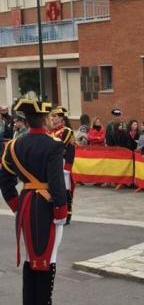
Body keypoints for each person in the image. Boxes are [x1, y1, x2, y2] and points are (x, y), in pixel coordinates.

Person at [0, 99, 68, 305]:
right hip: (46, 205)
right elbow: (56, 183)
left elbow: (5, 181)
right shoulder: (54, 145)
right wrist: (61, 212)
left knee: (31, 257)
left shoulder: (14, 145)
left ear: (27, 120)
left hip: (26, 203)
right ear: (46, 118)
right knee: (49, 257)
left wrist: (16, 205)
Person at [49, 106, 76, 225]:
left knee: (65, 190)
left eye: (55, 116)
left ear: (61, 118)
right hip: (52, 164)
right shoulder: (49, 132)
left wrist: (67, 168)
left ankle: (67, 214)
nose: (52, 118)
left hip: (63, 162)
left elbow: (71, 150)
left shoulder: (66, 131)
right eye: (52, 116)